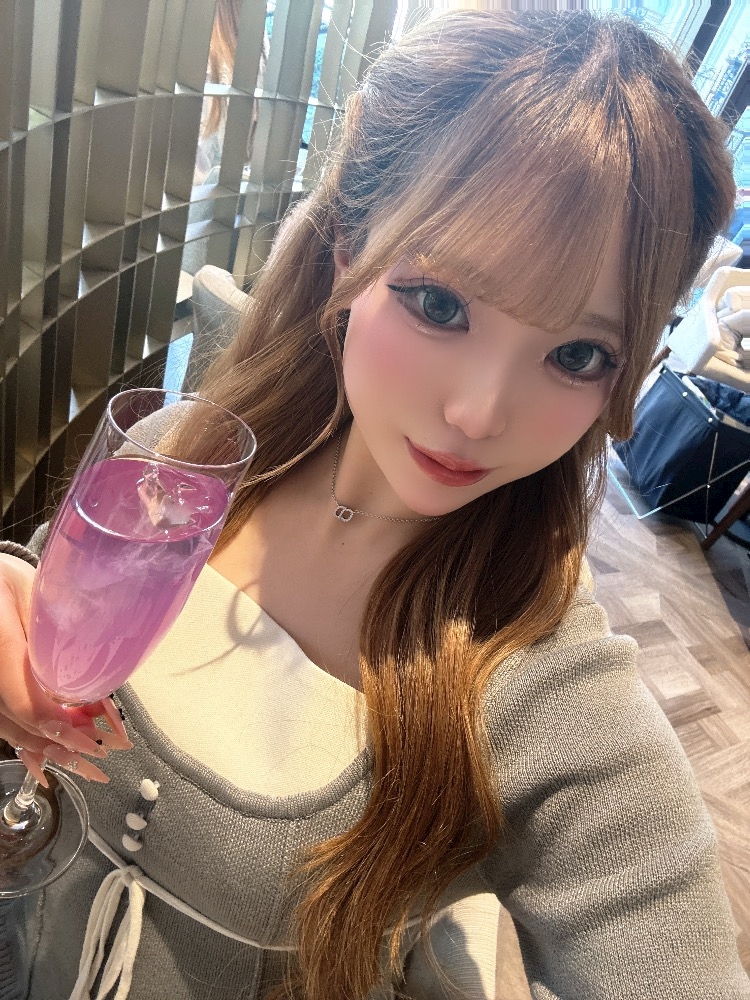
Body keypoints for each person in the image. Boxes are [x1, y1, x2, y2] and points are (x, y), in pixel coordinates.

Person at [0, 10, 747, 1000]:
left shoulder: (539, 686)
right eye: (441, 303)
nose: (477, 413)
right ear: (350, 239)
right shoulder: (175, 460)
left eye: (577, 355)